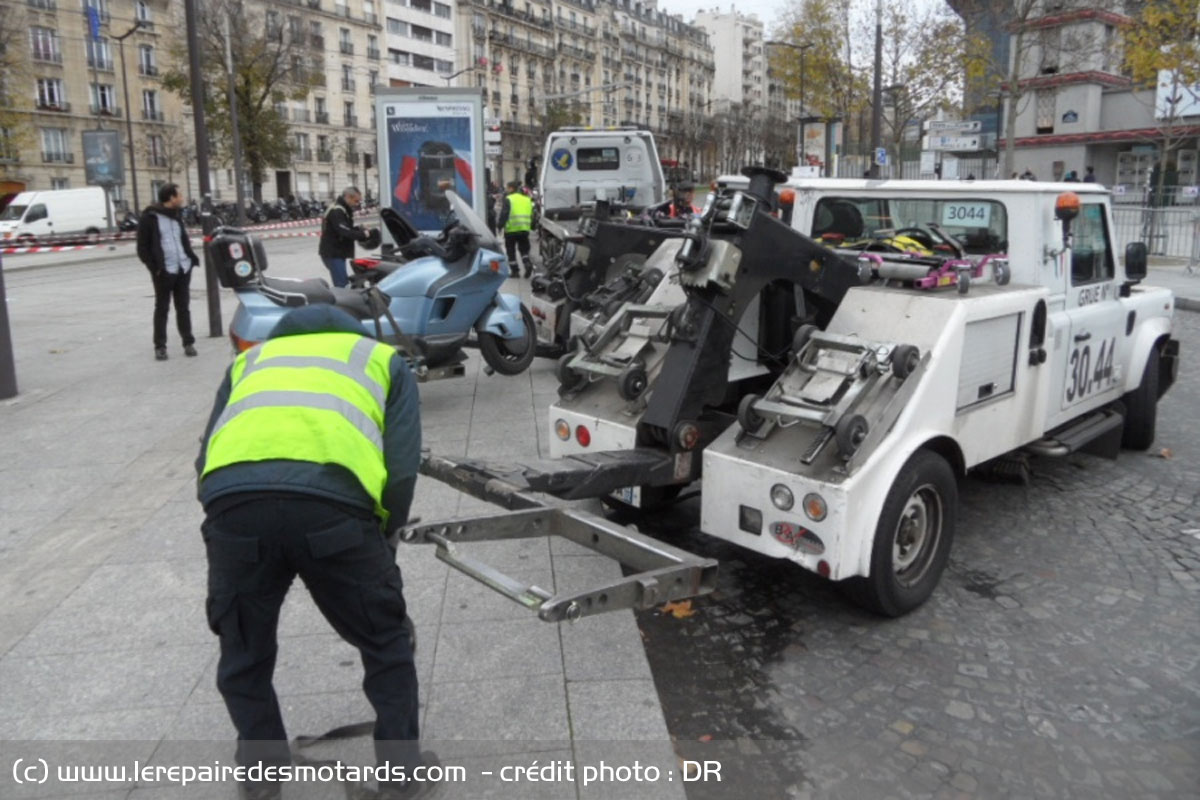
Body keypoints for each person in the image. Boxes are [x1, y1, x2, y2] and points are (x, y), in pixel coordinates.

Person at [196, 304, 435, 800]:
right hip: (335, 514)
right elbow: (403, 467)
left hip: (234, 511)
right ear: (352, 330)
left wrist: (230, 518)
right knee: (385, 642)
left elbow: (204, 458)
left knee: (243, 652)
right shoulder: (381, 358)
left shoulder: (249, 361)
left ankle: (261, 780)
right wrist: (383, 536)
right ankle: (401, 778)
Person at [137, 182, 198, 361]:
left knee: (183, 307)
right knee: (162, 308)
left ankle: (188, 342)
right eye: (179, 195)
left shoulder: (176, 215)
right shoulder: (150, 217)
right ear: (171, 198)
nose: (182, 198)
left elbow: (181, 240)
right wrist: (155, 268)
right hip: (164, 271)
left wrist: (189, 258)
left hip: (182, 268)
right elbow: (142, 248)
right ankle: (160, 346)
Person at [319, 186, 371, 288]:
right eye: (356, 201)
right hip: (333, 253)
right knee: (342, 285)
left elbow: (345, 228)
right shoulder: (337, 211)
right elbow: (344, 232)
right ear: (348, 197)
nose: (357, 204)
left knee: (342, 283)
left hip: (336, 251)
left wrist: (358, 228)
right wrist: (364, 234)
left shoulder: (342, 208)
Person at [497, 180, 535, 278]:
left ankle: (515, 271)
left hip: (511, 230)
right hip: (524, 229)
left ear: (511, 188)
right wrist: (532, 226)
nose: (506, 189)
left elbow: (504, 214)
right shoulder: (526, 199)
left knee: (511, 251)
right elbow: (532, 214)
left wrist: (500, 226)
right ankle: (527, 264)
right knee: (524, 250)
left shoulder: (508, 199)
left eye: (507, 188)